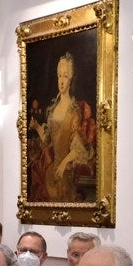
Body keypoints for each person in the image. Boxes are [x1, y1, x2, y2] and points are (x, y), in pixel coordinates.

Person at [28, 53, 96, 202]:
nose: (62, 81)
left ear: (70, 79)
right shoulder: (52, 109)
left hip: (67, 170)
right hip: (52, 171)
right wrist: (37, 127)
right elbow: (47, 140)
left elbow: (78, 148)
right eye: (60, 76)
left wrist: (65, 163)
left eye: (65, 76)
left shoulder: (73, 110)